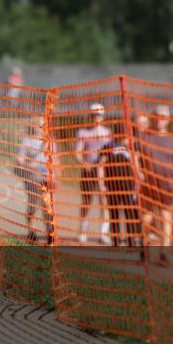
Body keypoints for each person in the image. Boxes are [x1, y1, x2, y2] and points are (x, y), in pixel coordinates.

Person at [136, 106, 173, 262]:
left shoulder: (172, 139)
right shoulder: (144, 136)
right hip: (148, 184)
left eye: (163, 117)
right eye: (157, 116)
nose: (160, 119)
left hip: (167, 185)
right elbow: (135, 156)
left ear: (167, 120)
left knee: (166, 217)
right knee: (147, 218)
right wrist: (138, 172)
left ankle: (164, 252)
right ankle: (145, 247)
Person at [75, 103, 112, 243]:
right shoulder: (83, 132)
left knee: (104, 201)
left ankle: (104, 233)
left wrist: (102, 163)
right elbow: (78, 152)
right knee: (86, 201)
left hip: (103, 172)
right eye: (94, 115)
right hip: (88, 171)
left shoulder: (107, 132)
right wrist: (84, 163)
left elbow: (109, 152)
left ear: (102, 117)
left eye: (99, 115)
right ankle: (83, 230)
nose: (96, 117)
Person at [15, 115, 55, 244]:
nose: (41, 127)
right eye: (39, 125)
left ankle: (50, 232)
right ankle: (31, 231)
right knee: (32, 204)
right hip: (31, 179)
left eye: (44, 125)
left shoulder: (49, 141)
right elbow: (19, 159)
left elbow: (55, 159)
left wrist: (56, 175)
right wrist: (27, 164)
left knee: (46, 204)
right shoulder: (27, 141)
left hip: (46, 179)